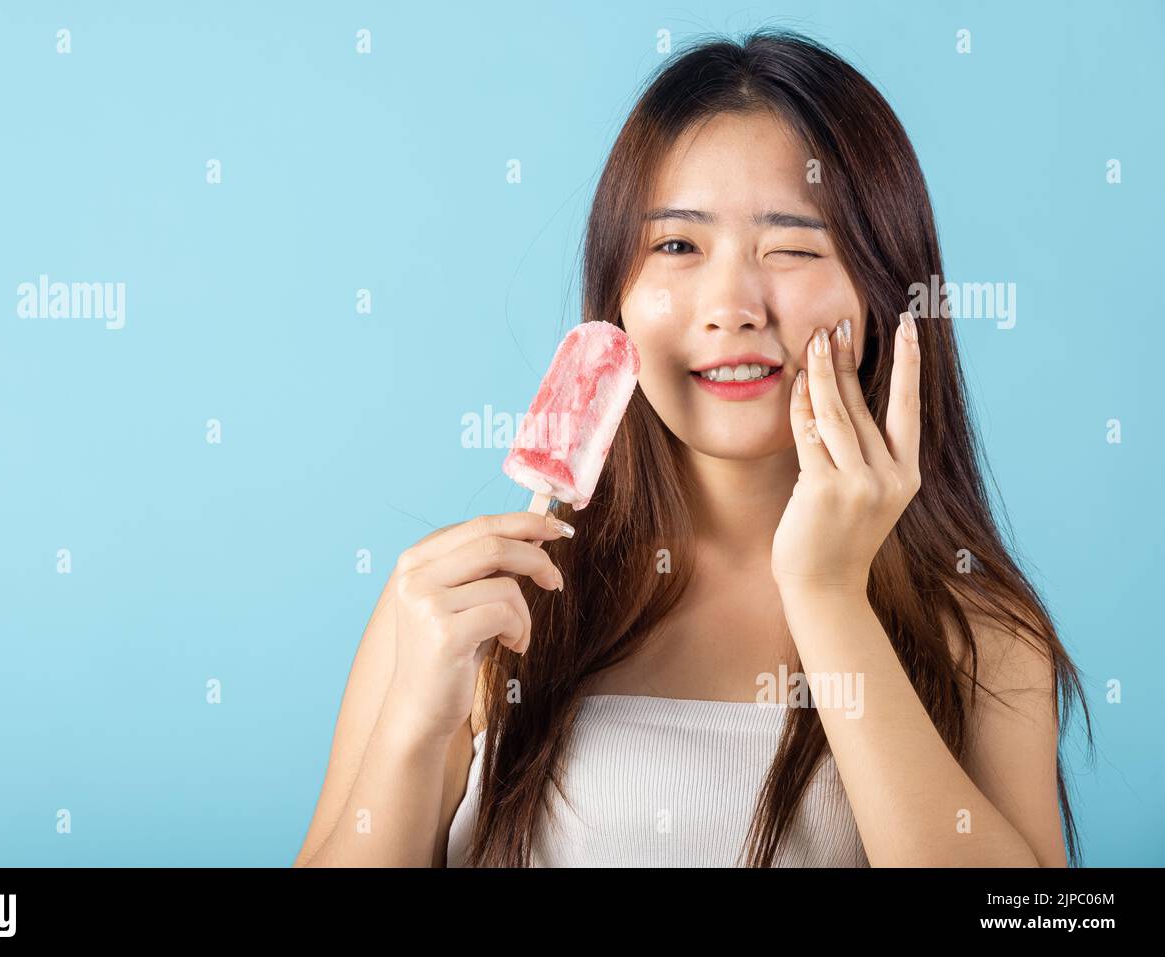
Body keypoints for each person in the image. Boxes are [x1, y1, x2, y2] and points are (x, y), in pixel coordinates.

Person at [294, 30, 1091, 868]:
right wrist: (414, 733)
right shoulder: (461, 608)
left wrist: (827, 595)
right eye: (677, 245)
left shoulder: (980, 631)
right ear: (618, 295)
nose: (731, 305)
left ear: (883, 290)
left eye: (791, 246)